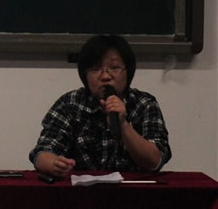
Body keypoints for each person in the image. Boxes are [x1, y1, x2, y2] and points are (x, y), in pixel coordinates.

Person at [29, 34, 171, 178]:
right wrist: (54, 164)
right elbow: (42, 152)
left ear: (128, 71)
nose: (105, 76)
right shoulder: (70, 103)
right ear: (85, 74)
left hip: (133, 190)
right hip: (82, 190)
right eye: (96, 69)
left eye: (114, 68)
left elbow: (155, 161)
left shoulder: (144, 104)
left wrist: (123, 124)